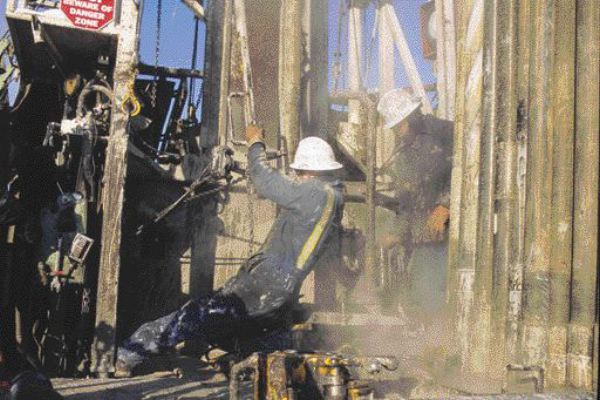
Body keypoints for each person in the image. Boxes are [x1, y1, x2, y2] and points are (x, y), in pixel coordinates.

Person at [116, 125, 345, 375]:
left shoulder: (314, 192)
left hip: (267, 280)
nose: (298, 177)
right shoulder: (333, 199)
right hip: (287, 284)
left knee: (199, 314)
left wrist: (255, 144)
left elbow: (264, 178)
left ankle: (130, 354)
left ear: (310, 171)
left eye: (300, 172)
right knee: (262, 330)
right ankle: (242, 363)